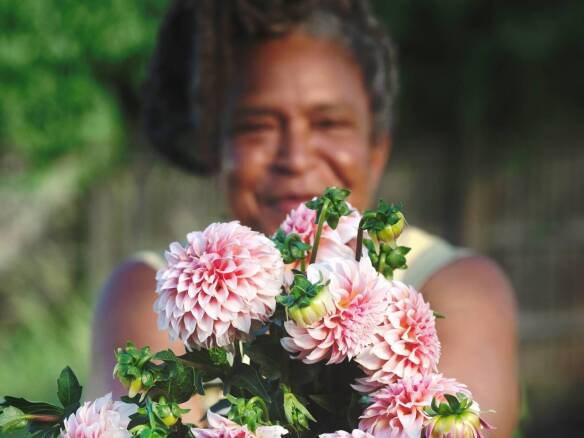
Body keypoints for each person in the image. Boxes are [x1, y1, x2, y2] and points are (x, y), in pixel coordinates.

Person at [91, 1, 518, 435]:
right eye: (257, 125)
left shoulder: (458, 287)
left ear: (377, 149)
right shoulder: (154, 294)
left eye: (329, 123)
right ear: (215, 150)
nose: (294, 158)